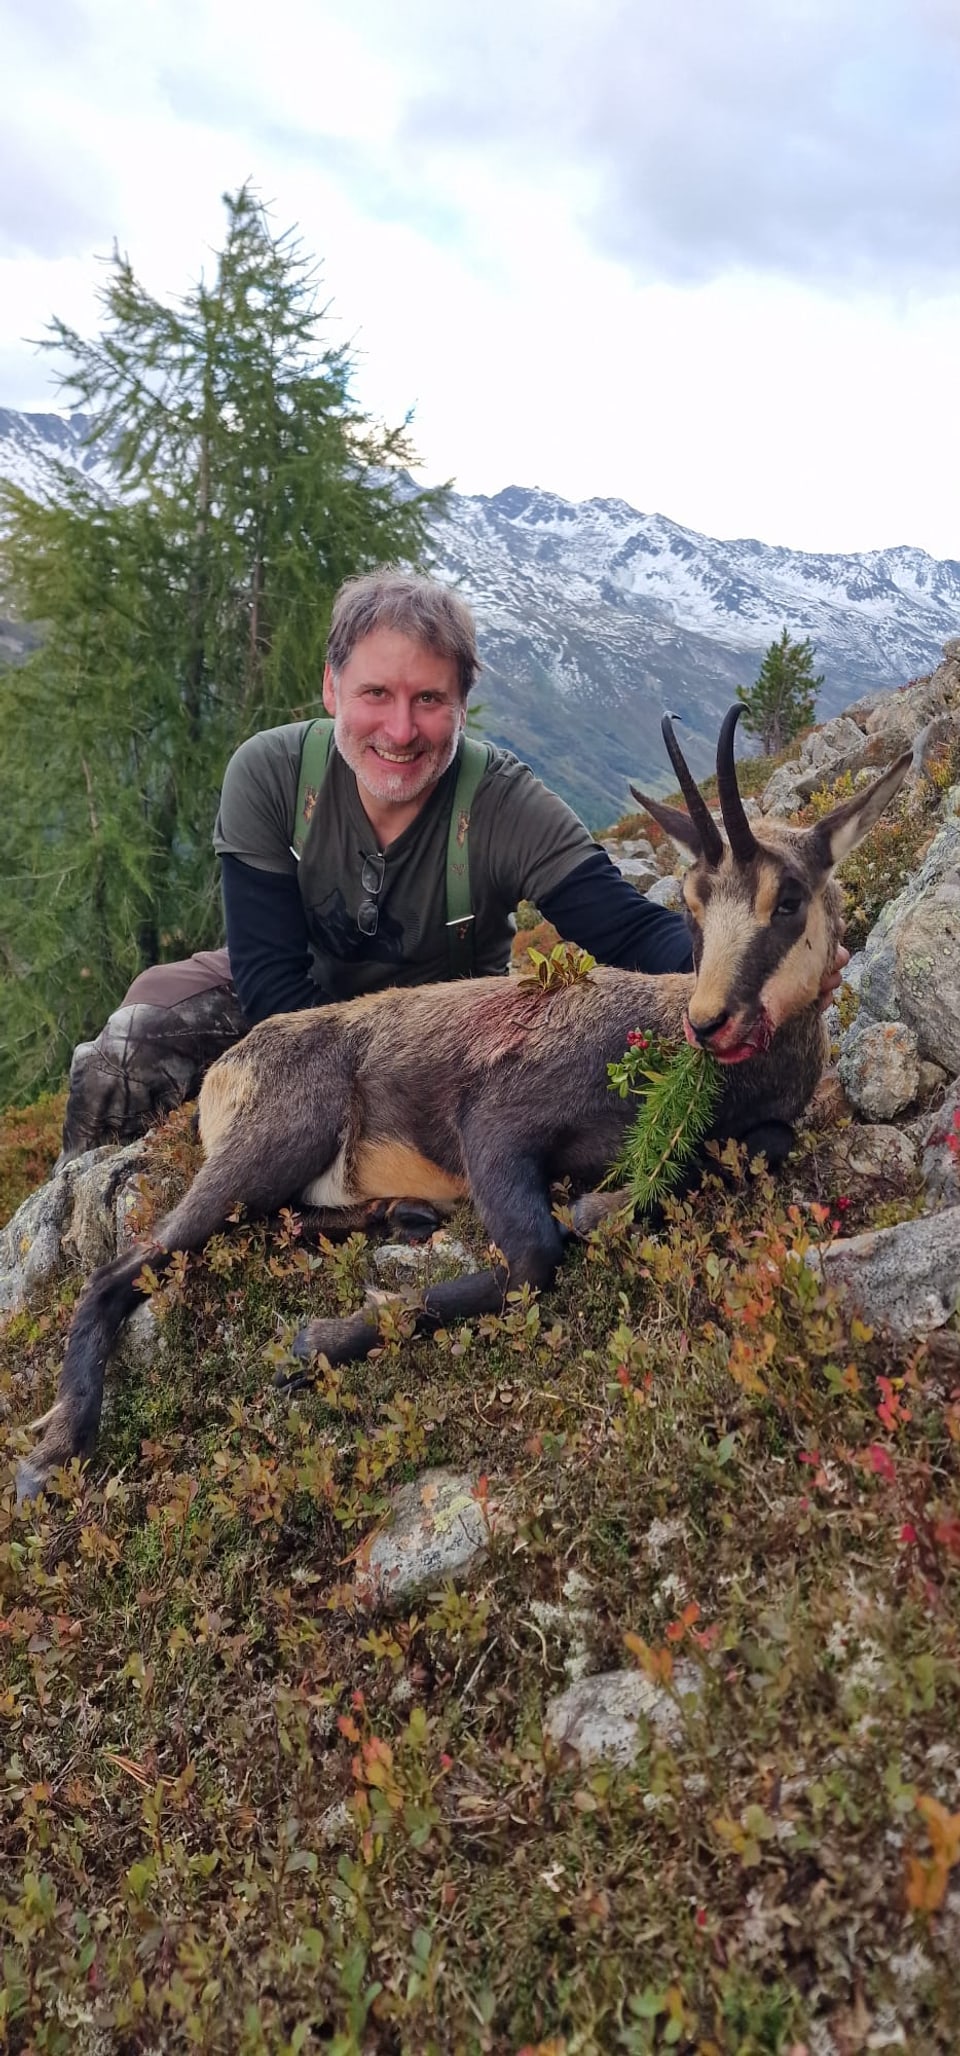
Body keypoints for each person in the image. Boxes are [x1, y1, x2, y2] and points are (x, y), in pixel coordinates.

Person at [60, 569, 846, 1156]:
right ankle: (85, 1236)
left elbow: (634, 935)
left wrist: (769, 969)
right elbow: (269, 987)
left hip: (436, 1029)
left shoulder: (505, 805)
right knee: (128, 1044)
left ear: (463, 704)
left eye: (429, 700)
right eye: (375, 694)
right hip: (291, 1008)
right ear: (332, 689)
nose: (400, 730)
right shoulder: (268, 777)